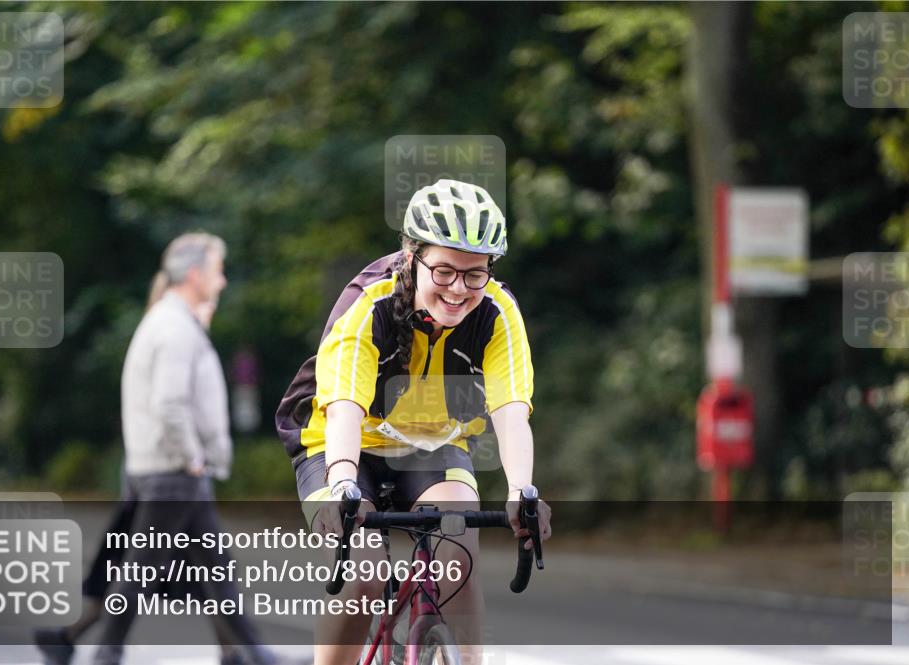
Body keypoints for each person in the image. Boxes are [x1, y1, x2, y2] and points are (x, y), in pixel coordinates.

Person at [276, 180, 552, 665]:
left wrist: (522, 491)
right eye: (444, 270)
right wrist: (342, 484)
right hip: (341, 444)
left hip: (432, 445)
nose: (458, 289)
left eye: (475, 274)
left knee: (458, 555)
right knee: (363, 576)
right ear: (413, 256)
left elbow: (511, 412)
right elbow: (343, 408)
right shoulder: (370, 305)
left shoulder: (497, 312)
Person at [88, 232, 294, 665]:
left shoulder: (170, 320)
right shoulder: (174, 327)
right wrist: (193, 458)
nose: (221, 282)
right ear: (197, 274)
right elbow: (169, 403)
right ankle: (106, 653)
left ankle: (251, 654)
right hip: (173, 474)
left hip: (169, 472)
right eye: (218, 272)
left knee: (215, 570)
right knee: (142, 571)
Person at [34, 299, 238, 665]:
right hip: (168, 481)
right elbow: (169, 410)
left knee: (201, 574)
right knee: (159, 573)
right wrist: (194, 458)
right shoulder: (174, 342)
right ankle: (88, 645)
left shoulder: (169, 342)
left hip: (159, 481)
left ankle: (72, 638)